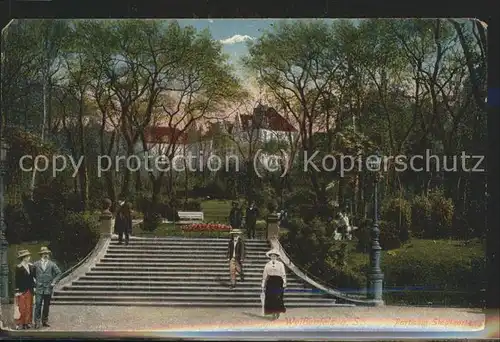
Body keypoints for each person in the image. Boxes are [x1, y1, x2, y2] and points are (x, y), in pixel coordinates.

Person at [33, 246, 61, 329]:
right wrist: (35, 281)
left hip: (48, 288)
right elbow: (32, 274)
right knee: (38, 304)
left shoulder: (52, 264)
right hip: (39, 288)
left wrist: (53, 282)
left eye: (47, 254)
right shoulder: (36, 264)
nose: (46, 255)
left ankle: (44, 321)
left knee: (46, 305)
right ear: (41, 254)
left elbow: (59, 273)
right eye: (44, 253)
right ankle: (37, 322)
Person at [261, 248, 287, 320]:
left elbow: (283, 274)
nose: (273, 257)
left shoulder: (280, 264)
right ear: (270, 257)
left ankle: (277, 311)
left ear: (277, 257)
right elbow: (264, 275)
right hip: (270, 282)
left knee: (277, 297)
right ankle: (272, 313)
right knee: (270, 298)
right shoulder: (267, 265)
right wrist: (263, 284)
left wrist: (284, 282)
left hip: (278, 281)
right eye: (272, 256)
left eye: (274, 256)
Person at [14, 249, 36, 330]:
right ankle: (21, 323)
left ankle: (27, 323)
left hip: (30, 290)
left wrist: (34, 287)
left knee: (29, 307)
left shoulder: (31, 266)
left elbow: (33, 278)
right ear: (24, 258)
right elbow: (17, 280)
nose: (29, 257)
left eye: (29, 256)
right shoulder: (18, 267)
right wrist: (17, 291)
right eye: (27, 256)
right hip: (22, 290)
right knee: (22, 308)